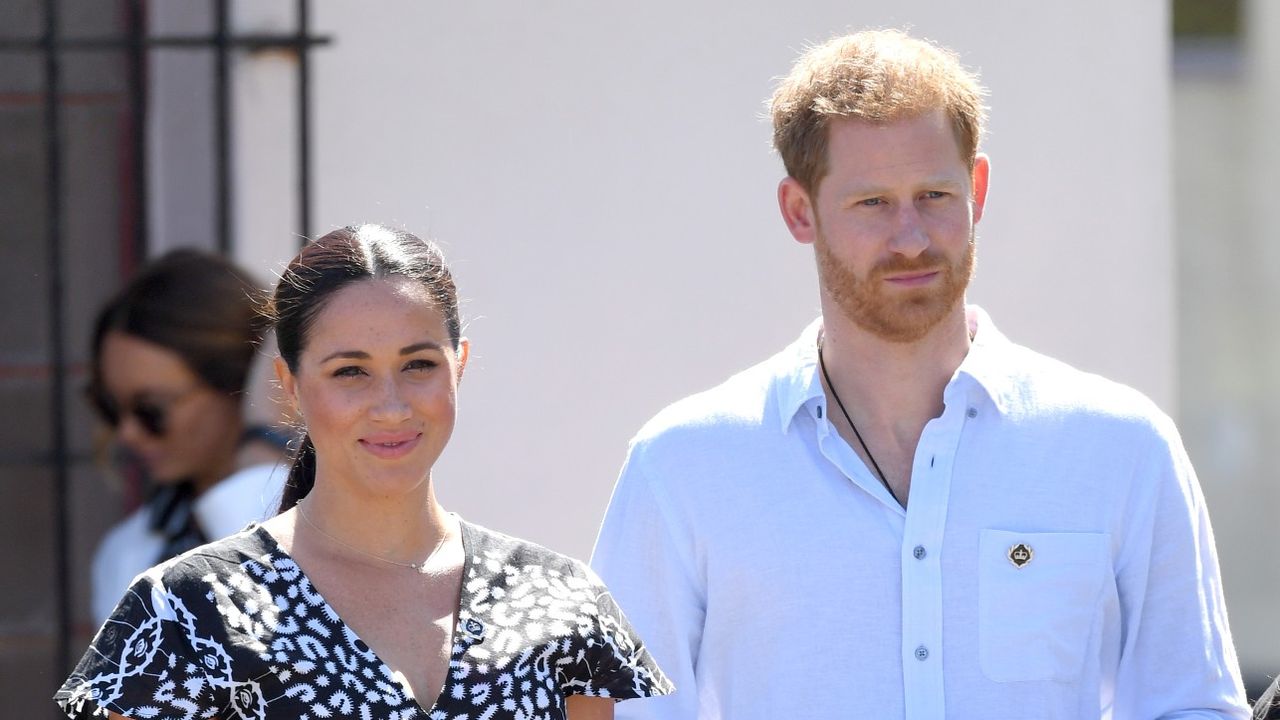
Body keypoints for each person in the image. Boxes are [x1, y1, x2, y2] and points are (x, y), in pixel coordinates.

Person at [591, 29, 1249, 719]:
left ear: (979, 188)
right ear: (798, 210)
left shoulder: (1124, 450)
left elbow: (1193, 706)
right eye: (872, 203)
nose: (911, 237)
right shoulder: (682, 468)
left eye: (934, 195)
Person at [56, 224, 672, 720]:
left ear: (460, 365)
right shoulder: (184, 612)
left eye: (418, 364)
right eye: (350, 371)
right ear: (290, 388)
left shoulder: (561, 601)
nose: (391, 405)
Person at [85, 249, 289, 625]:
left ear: (234, 383)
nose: (127, 433)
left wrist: (264, 444)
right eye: (110, 408)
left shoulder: (334, 518)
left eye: (151, 410)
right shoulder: (128, 549)